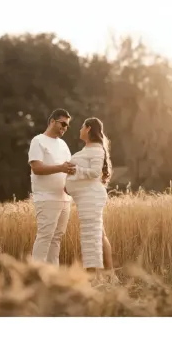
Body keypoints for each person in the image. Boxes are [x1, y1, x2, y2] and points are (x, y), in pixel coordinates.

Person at [65, 117, 115, 275]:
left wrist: (75, 171)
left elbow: (94, 173)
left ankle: (98, 276)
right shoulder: (87, 150)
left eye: (81, 127)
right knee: (98, 233)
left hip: (91, 197)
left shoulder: (97, 150)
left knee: (92, 234)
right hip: (85, 197)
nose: (79, 130)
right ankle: (108, 275)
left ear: (88, 129)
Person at [28, 108, 76, 265]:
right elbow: (36, 168)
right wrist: (60, 168)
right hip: (46, 198)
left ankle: (52, 278)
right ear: (52, 121)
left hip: (64, 199)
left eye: (67, 126)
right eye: (63, 123)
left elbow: (68, 168)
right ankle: (36, 277)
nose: (65, 128)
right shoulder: (38, 141)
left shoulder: (63, 144)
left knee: (56, 239)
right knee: (45, 236)